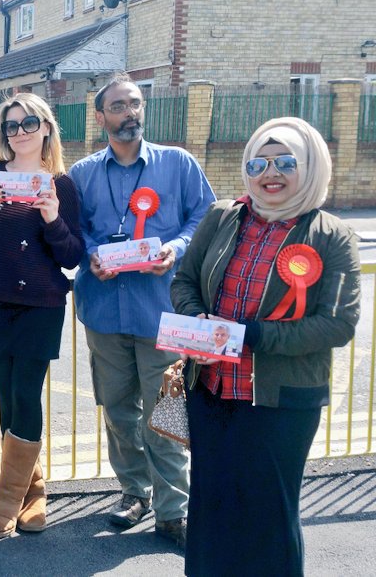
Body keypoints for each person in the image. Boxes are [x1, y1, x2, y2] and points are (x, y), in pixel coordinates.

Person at [171, 117, 360, 576]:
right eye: (258, 162)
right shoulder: (222, 216)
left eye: (285, 162)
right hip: (211, 391)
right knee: (211, 509)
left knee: (269, 517)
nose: (269, 173)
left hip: (281, 404)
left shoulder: (332, 235)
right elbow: (184, 281)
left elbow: (337, 325)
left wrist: (248, 335)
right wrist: (197, 321)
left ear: (310, 166)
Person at [68, 73, 215, 548]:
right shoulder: (83, 173)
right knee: (118, 411)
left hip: (163, 314)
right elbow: (77, 231)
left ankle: (174, 511)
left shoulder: (178, 164)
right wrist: (92, 253)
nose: (129, 112)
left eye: (135, 104)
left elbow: (205, 218)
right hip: (105, 313)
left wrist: (176, 247)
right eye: (118, 106)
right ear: (100, 116)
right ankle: (135, 492)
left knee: (167, 412)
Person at [0, 93, 82, 537]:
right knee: (7, 395)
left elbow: (72, 256)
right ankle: (32, 492)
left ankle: (6, 501)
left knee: (26, 394)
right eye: (11, 126)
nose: (20, 132)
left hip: (41, 304)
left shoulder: (61, 185)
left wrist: (52, 219)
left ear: (47, 127)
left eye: (29, 123)